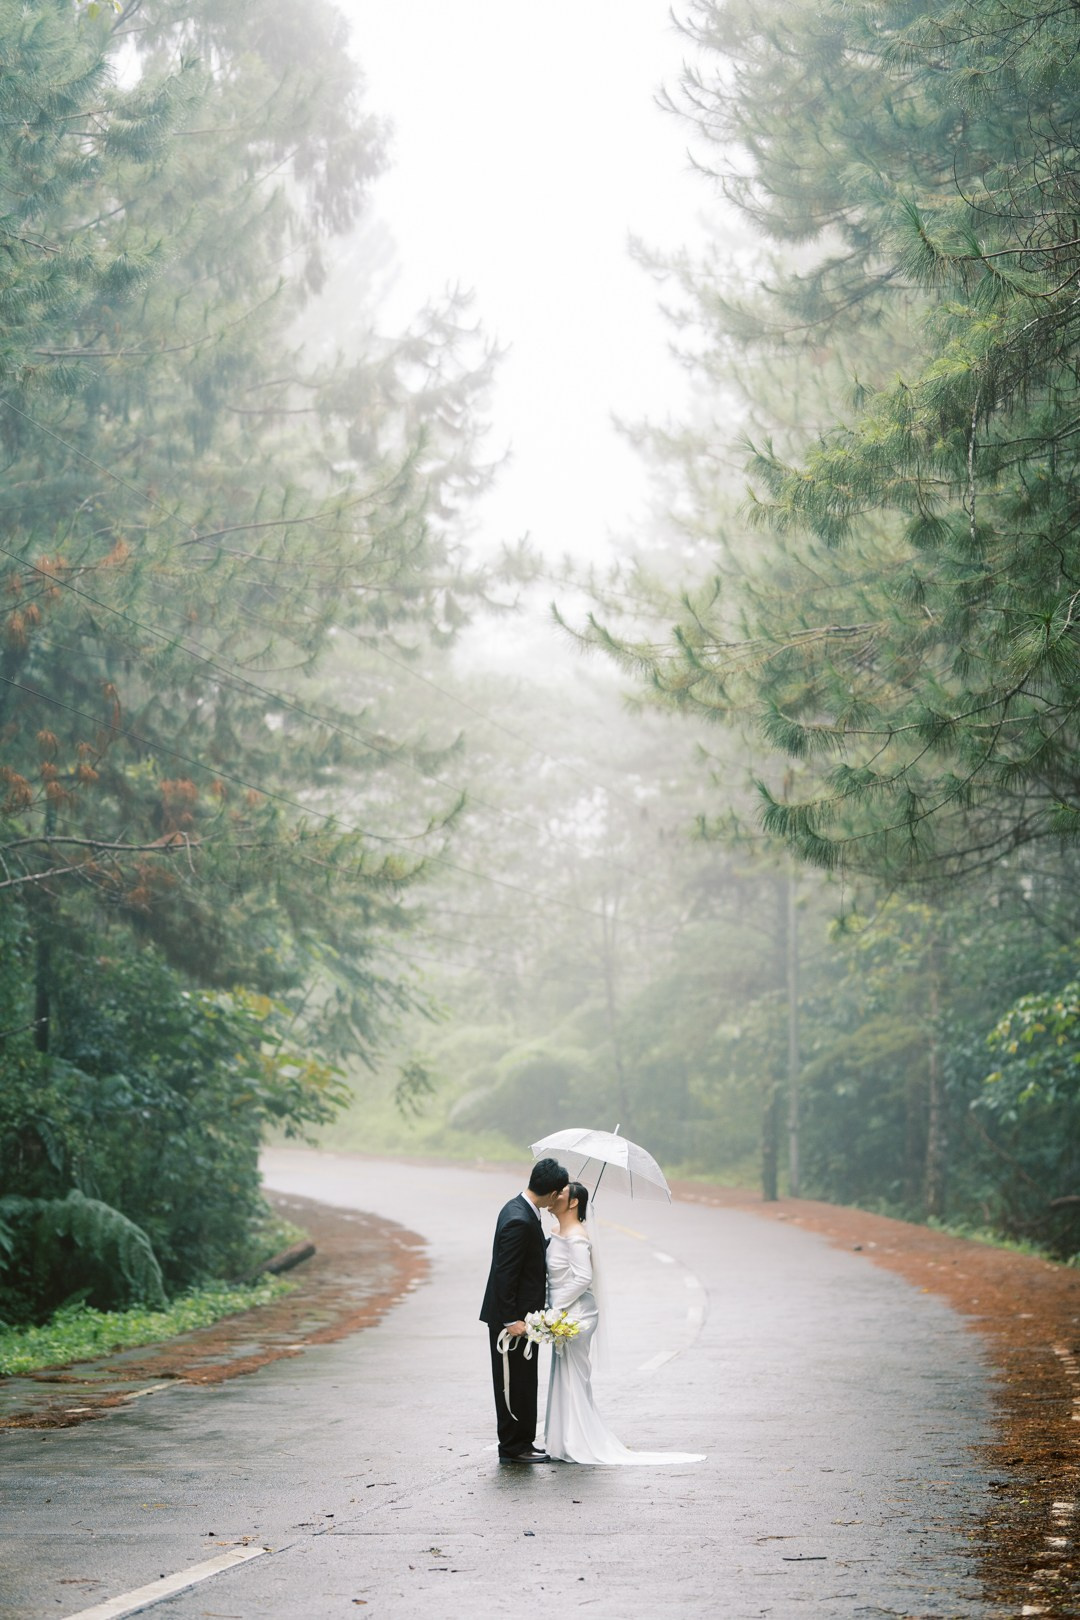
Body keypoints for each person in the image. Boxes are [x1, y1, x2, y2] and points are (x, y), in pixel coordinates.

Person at [544, 1180, 704, 1466]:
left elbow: (583, 1278)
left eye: (562, 1193)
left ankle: (577, 1441)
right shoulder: (556, 1232)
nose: (554, 1196)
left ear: (574, 1203)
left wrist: (555, 1308)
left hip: (576, 1314)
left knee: (574, 1377)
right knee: (562, 1374)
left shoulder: (578, 1236)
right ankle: (563, 1439)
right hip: (561, 1313)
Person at [479, 1156, 569, 1463]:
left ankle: (524, 1442)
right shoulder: (519, 1218)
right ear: (553, 1193)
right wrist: (510, 1319)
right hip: (513, 1320)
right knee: (513, 1382)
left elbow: (525, 1256)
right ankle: (513, 1447)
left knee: (524, 1380)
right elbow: (505, 1272)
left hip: (524, 1318)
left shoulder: (519, 1208)